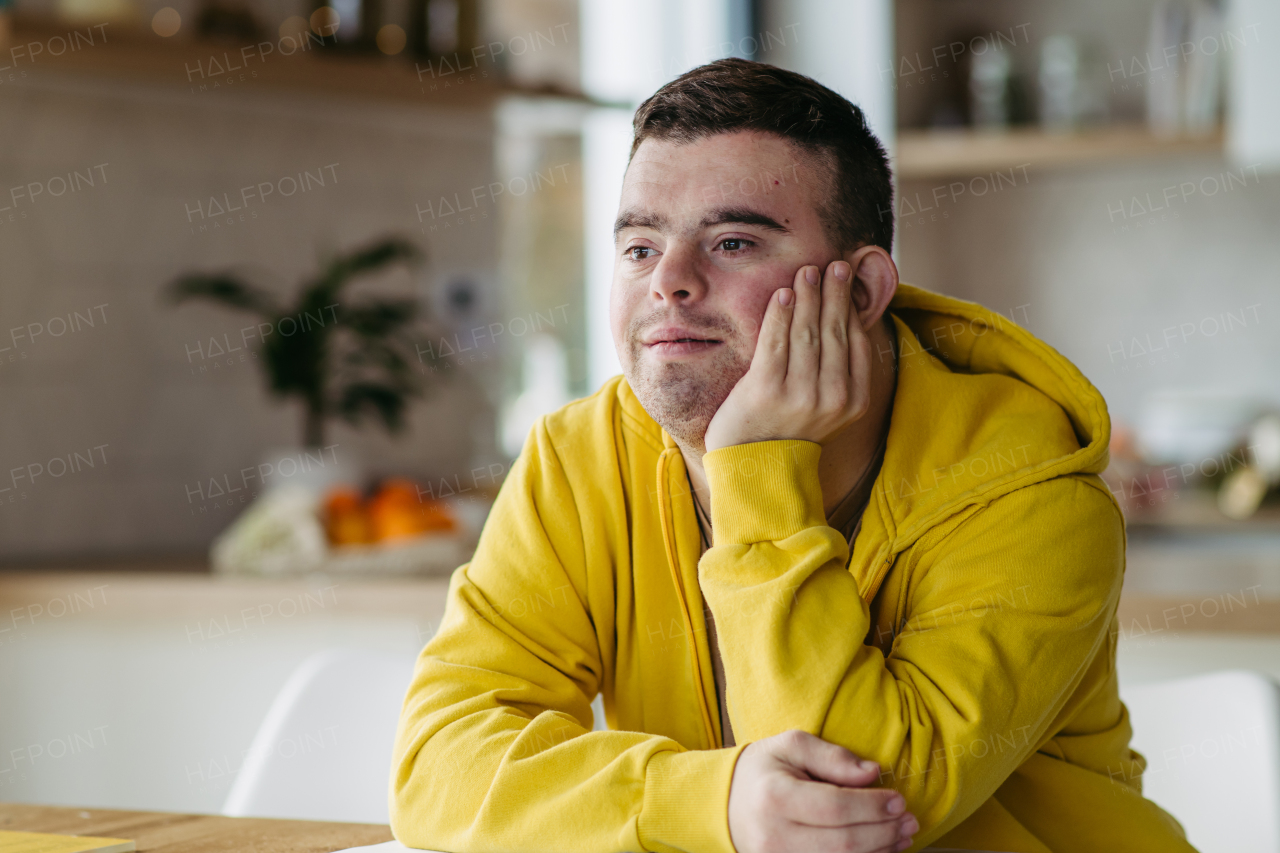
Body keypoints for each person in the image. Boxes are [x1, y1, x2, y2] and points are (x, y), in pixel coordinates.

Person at [390, 58, 1197, 853]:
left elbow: (865, 807)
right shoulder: (581, 457)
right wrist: (709, 799)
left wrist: (757, 466)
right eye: (639, 247)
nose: (668, 281)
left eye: (733, 241)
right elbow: (436, 765)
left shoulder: (1032, 493)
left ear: (860, 291)